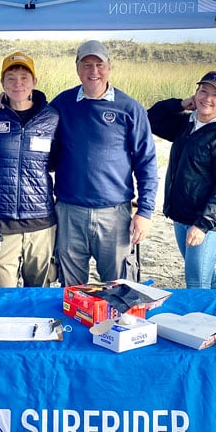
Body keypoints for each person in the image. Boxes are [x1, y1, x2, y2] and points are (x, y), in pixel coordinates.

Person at [50, 40, 158, 285]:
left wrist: (145, 212)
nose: (93, 71)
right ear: (77, 68)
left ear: (110, 67)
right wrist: (3, 99)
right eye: (87, 64)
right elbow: (34, 119)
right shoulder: (62, 104)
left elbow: (147, 162)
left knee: (120, 291)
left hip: (115, 215)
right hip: (69, 213)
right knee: (73, 291)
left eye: (99, 64)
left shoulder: (130, 108)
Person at [0, 52, 59, 287]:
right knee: (1, 295)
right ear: (2, 84)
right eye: (11, 78)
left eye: (23, 77)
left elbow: (57, 162)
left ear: (34, 82)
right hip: (0, 221)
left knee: (37, 294)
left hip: (41, 221)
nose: (17, 83)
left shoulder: (52, 117)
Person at [148, 70, 216, 289]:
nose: (207, 98)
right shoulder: (187, 124)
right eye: (203, 91)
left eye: (215, 95)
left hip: (204, 223)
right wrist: (182, 104)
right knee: (206, 278)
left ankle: (208, 323)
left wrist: (202, 225)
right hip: (181, 216)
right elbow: (152, 117)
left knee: (196, 284)